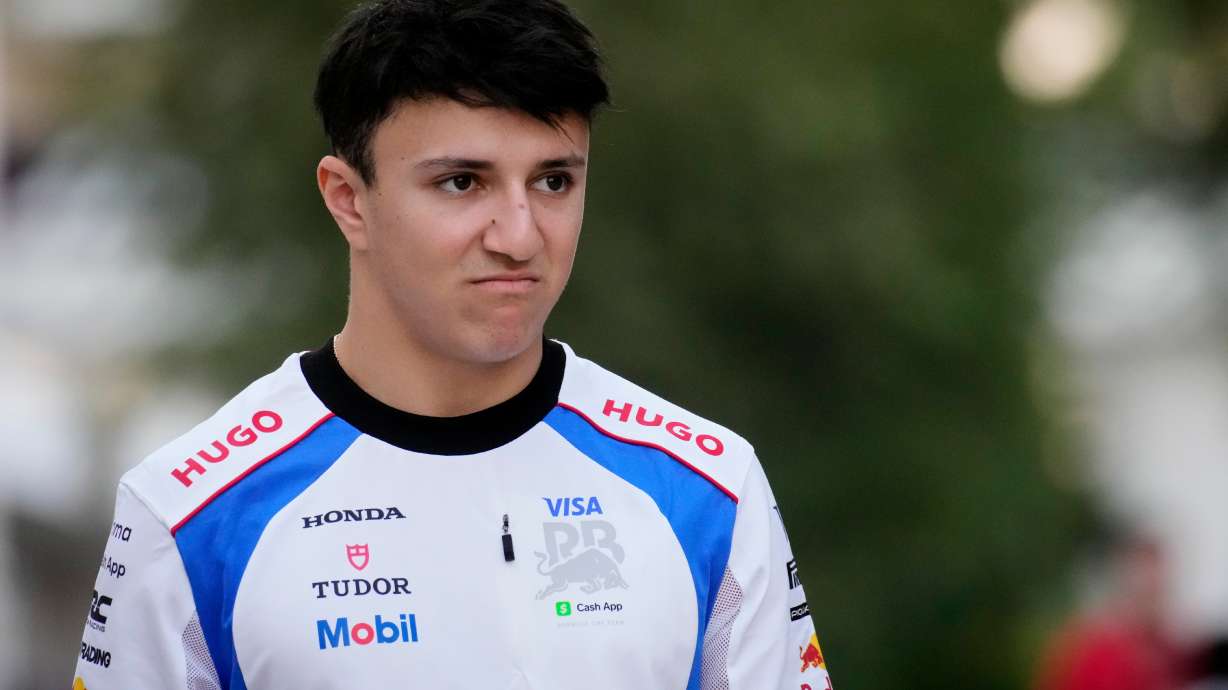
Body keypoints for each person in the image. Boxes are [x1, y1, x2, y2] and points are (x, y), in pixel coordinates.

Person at [71, 1, 830, 688]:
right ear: (348, 200)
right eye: (463, 183)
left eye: (554, 181)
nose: (520, 235)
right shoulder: (190, 511)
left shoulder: (710, 487)